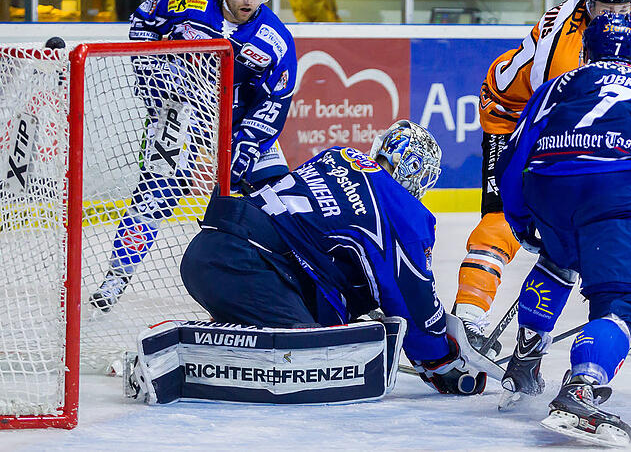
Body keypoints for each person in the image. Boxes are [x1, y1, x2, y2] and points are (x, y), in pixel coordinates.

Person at [451, 0, 631, 358]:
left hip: (565, 117)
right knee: (503, 223)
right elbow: (546, 125)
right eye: (606, 9)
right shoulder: (562, 53)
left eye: (623, 8)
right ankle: (467, 318)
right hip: (510, 112)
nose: (615, 16)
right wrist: (528, 218)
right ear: (588, 2)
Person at [168, 122, 487, 401]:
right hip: (248, 266)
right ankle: (206, 358)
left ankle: (216, 335)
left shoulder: (339, 156)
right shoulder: (408, 215)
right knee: (312, 355)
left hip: (208, 249)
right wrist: (442, 363)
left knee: (324, 315)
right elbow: (413, 304)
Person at [494, 13, 631, 446]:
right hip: (616, 189)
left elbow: (509, 159)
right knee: (622, 306)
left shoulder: (555, 87)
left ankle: (526, 357)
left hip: (548, 185)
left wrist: (522, 218)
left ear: (585, 52)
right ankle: (580, 391)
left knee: (558, 259)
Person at [89, 0, 298, 312]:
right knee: (155, 192)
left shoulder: (275, 39)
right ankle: (115, 278)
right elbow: (143, 22)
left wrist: (248, 143)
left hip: (239, 124)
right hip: (181, 112)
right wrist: (153, 74)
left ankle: (309, 282)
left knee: (281, 197)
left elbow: (275, 100)